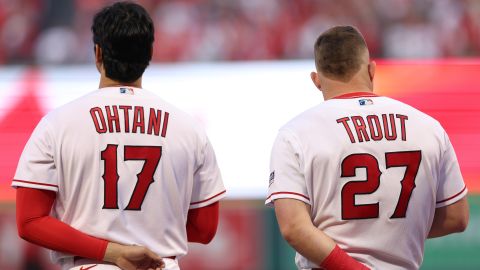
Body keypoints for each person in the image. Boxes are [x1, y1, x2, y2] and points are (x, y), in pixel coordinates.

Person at [12, 2, 226, 270]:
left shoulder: (57, 123)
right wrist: (148, 228)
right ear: (149, 52)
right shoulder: (189, 128)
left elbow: (29, 222)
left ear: (98, 53)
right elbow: (205, 229)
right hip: (160, 265)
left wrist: (110, 249)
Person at [266, 25, 469, 270]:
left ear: (316, 80)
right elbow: (457, 217)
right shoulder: (428, 126)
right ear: (372, 70)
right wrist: (392, 235)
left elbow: (294, 228)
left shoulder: (295, 133)